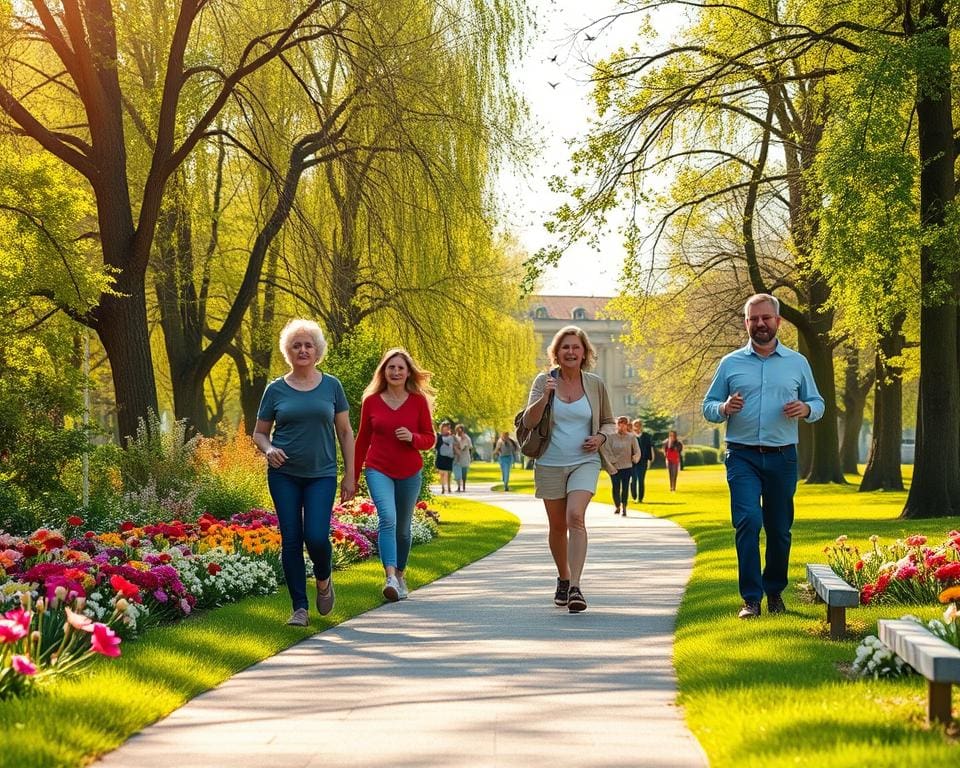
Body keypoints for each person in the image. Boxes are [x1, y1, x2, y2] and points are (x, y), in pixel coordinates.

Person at [702, 293, 825, 619]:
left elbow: (818, 403)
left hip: (783, 457)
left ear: (777, 321)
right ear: (746, 323)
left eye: (766, 318)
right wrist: (724, 407)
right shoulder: (730, 363)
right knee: (748, 522)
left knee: (779, 528)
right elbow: (708, 407)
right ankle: (751, 599)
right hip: (741, 455)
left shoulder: (797, 363)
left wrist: (806, 408)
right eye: (753, 319)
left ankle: (775, 593)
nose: (760, 324)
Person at [253, 319, 355, 627]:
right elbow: (259, 433)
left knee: (315, 536)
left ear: (318, 350)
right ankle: (299, 607)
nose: (302, 350)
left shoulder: (332, 386)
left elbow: (346, 431)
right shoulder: (275, 390)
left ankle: (323, 579)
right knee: (292, 539)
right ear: (288, 350)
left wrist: (350, 474)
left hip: (321, 474)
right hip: (284, 474)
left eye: (308, 344)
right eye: (296, 345)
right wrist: (269, 450)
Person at [521, 325, 615, 613]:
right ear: (557, 353)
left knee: (576, 517)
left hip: (585, 461)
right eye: (565, 347)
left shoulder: (595, 384)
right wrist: (545, 396)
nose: (571, 352)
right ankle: (562, 577)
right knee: (557, 526)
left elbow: (609, 421)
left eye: (576, 347)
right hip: (549, 462)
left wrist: (600, 437)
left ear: (584, 352)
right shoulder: (544, 381)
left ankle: (575, 586)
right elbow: (529, 422)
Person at [354, 347, 437, 602]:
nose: (396, 371)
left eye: (401, 367)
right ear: (384, 371)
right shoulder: (372, 401)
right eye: (391, 367)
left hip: (409, 471)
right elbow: (361, 441)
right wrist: (352, 476)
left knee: (403, 529)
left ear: (408, 372)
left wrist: (412, 438)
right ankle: (389, 577)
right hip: (378, 468)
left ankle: (400, 574)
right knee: (387, 519)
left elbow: (430, 439)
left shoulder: (418, 401)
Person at [602, 416, 641, 516]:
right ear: (617, 425)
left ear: (627, 425)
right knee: (615, 487)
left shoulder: (631, 437)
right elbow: (607, 450)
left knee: (625, 488)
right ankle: (617, 506)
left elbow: (637, 451)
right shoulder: (611, 437)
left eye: (624, 423)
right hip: (614, 467)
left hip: (627, 466)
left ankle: (624, 506)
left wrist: (635, 458)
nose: (622, 426)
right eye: (620, 423)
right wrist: (612, 461)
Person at [631, 419, 654, 502]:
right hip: (632, 462)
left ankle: (640, 498)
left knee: (641, 479)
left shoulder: (646, 436)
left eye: (639, 425)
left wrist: (650, 460)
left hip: (643, 461)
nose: (637, 427)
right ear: (633, 426)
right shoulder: (630, 436)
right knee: (633, 480)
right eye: (636, 425)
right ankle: (634, 495)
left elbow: (650, 448)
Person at [434, 421, 455, 494]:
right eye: (445, 427)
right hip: (441, 456)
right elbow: (435, 446)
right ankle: (443, 488)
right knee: (442, 473)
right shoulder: (439, 436)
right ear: (442, 428)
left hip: (449, 457)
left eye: (448, 428)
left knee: (448, 473)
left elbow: (454, 446)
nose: (447, 429)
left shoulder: (452, 437)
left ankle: (449, 487)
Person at [452, 423, 473, 492]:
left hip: (465, 458)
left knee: (464, 473)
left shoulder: (467, 438)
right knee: (457, 473)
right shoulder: (455, 437)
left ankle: (463, 485)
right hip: (457, 458)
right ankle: (458, 487)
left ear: (463, 430)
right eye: (457, 430)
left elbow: (469, 447)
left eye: (460, 431)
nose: (458, 432)